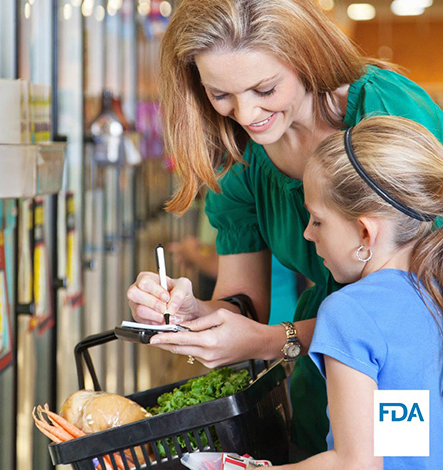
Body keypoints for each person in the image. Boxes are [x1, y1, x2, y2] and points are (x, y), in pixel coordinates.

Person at [126, 0, 443, 457]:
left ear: (305, 57)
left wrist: (277, 340)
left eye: (265, 88)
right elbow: (245, 305)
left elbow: (417, 306)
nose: (246, 113)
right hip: (326, 377)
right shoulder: (238, 150)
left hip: (406, 379)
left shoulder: (385, 108)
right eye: (221, 95)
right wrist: (194, 312)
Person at [270, 115, 443, 468]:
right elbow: (406, 433)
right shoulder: (431, 292)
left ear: (365, 234)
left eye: (317, 220)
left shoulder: (349, 311)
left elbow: (355, 464)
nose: (307, 233)